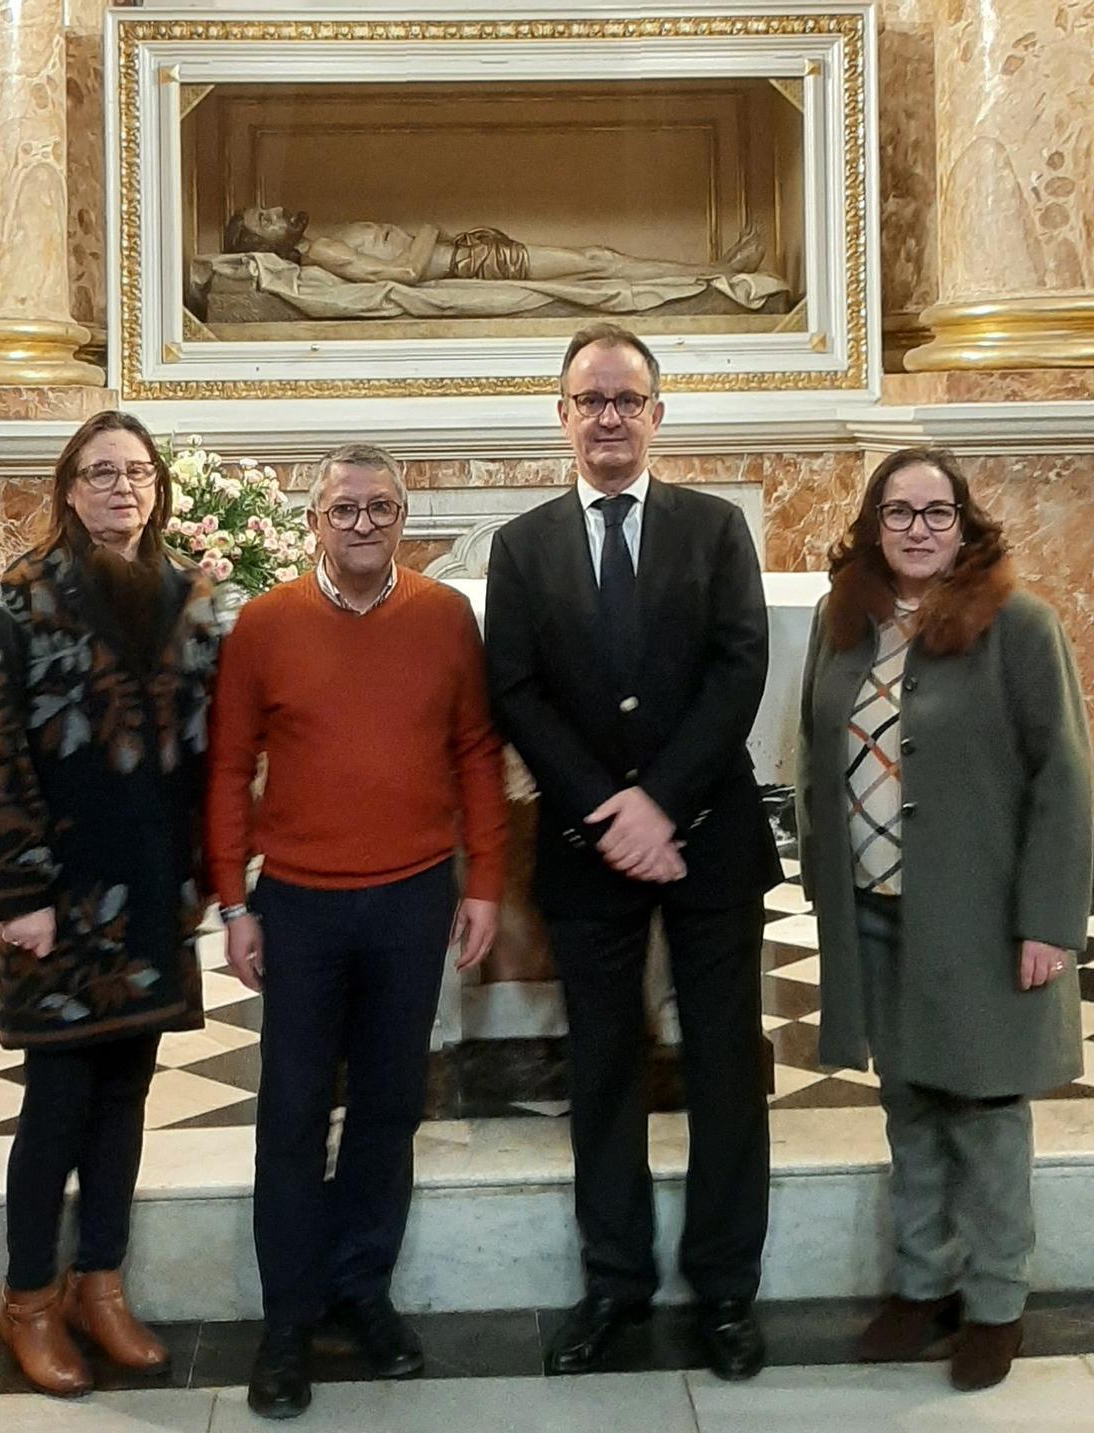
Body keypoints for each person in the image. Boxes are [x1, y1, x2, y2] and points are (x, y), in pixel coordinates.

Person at [484, 323, 781, 1380]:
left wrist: (660, 801)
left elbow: (740, 663)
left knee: (723, 1065)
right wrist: (610, 809)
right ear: (561, 415)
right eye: (589, 399)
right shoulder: (519, 545)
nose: (608, 417)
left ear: (658, 413)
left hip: (710, 839)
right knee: (602, 1070)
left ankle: (726, 1294)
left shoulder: (715, 527)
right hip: (584, 846)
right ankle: (614, 1284)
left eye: (627, 398)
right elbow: (513, 688)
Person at [205, 442, 507, 1420]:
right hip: (296, 899)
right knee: (292, 1116)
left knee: (387, 1107)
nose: (365, 523)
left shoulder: (446, 617)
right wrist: (233, 901)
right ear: (313, 521)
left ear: (405, 517)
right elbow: (228, 766)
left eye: (382, 507)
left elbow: (474, 751)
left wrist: (486, 882)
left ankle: (362, 1291)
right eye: (345, 508)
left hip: (414, 894)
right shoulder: (263, 623)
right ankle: (288, 1318)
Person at [795, 447, 1092, 1392]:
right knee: (908, 1103)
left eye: (936, 511)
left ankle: (997, 1301)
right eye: (899, 511)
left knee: (986, 1109)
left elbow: (1065, 779)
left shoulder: (1021, 625)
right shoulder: (842, 625)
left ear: (965, 525)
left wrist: (1050, 920)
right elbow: (811, 748)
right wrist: (819, 880)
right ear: (871, 526)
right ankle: (922, 1283)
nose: (918, 528)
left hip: (983, 918)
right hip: (876, 913)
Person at [0, 411, 221, 1397]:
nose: (123, 487)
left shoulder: (191, 594)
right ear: (68, 489)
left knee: (127, 1098)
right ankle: (28, 1295)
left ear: (157, 488)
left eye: (138, 472)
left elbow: (212, 744)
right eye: (102, 472)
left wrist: (209, 875)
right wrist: (14, 887)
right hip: (58, 896)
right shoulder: (20, 597)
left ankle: (98, 1283)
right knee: (60, 1101)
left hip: (153, 889)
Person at [224, 205, 765, 286]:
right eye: (264, 220)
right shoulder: (324, 255)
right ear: (265, 243)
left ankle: (712, 268)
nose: (276, 212)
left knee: (598, 258)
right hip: (471, 261)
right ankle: (714, 271)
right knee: (599, 262)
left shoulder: (323, 236)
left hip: (469, 245)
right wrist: (431, 235)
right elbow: (409, 275)